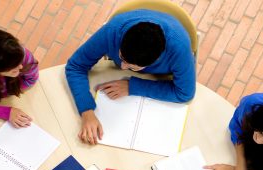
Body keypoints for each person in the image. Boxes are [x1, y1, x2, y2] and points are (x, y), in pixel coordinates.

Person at [65, 9, 196, 145]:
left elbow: (185, 93)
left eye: (132, 67)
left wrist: (132, 86)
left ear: (155, 60)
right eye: (121, 57)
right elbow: (75, 66)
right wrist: (86, 111)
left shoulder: (180, 49)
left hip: (159, 77)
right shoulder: (112, 30)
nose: (122, 67)